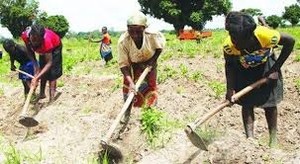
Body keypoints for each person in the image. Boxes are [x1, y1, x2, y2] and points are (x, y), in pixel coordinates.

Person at [223, 11, 295, 147]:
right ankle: (250, 141)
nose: (234, 41)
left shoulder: (266, 36)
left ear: (250, 36)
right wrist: (230, 89)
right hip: (243, 70)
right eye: (232, 36)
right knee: (247, 103)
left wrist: (275, 69)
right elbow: (229, 66)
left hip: (266, 66)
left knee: (270, 103)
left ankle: (273, 140)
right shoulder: (229, 46)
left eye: (238, 39)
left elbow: (290, 42)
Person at [117, 11, 166, 122]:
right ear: (127, 29)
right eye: (131, 31)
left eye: (138, 31)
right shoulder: (123, 42)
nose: (135, 35)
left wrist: (152, 62)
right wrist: (131, 82)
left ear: (144, 29)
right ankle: (127, 113)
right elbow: (123, 65)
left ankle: (150, 113)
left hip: (150, 62)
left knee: (150, 87)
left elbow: (159, 48)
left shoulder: (152, 35)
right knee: (128, 89)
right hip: (132, 64)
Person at [21, 24, 63, 103]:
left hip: (55, 47)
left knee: (52, 73)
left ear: (42, 38)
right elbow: (29, 52)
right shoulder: (25, 36)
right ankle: (42, 94)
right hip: (43, 48)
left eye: (38, 40)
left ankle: (52, 99)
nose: (35, 43)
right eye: (34, 40)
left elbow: (49, 63)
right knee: (41, 68)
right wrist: (36, 67)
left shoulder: (46, 41)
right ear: (30, 35)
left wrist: (36, 78)